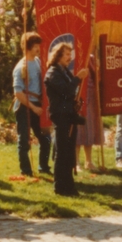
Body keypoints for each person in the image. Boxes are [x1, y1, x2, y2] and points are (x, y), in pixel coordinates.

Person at [44, 43, 87, 197]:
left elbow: (72, 93)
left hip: (69, 115)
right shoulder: (53, 72)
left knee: (69, 152)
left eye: (70, 54)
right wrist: (78, 78)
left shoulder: (65, 72)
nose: (70, 57)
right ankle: (59, 187)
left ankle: (69, 186)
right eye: (66, 54)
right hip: (60, 116)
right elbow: (66, 90)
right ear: (58, 56)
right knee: (62, 152)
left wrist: (77, 101)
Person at [12, 32, 51, 178]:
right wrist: (33, 108)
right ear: (27, 47)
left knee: (46, 138)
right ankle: (26, 171)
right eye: (35, 46)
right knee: (24, 141)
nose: (38, 49)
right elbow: (18, 93)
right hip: (25, 107)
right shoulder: (20, 67)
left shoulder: (38, 62)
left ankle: (44, 167)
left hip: (39, 105)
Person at [75, 53, 105, 172]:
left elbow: (97, 78)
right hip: (79, 95)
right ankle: (76, 162)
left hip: (91, 96)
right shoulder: (75, 53)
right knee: (78, 129)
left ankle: (88, 161)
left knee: (90, 128)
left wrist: (98, 67)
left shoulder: (91, 57)